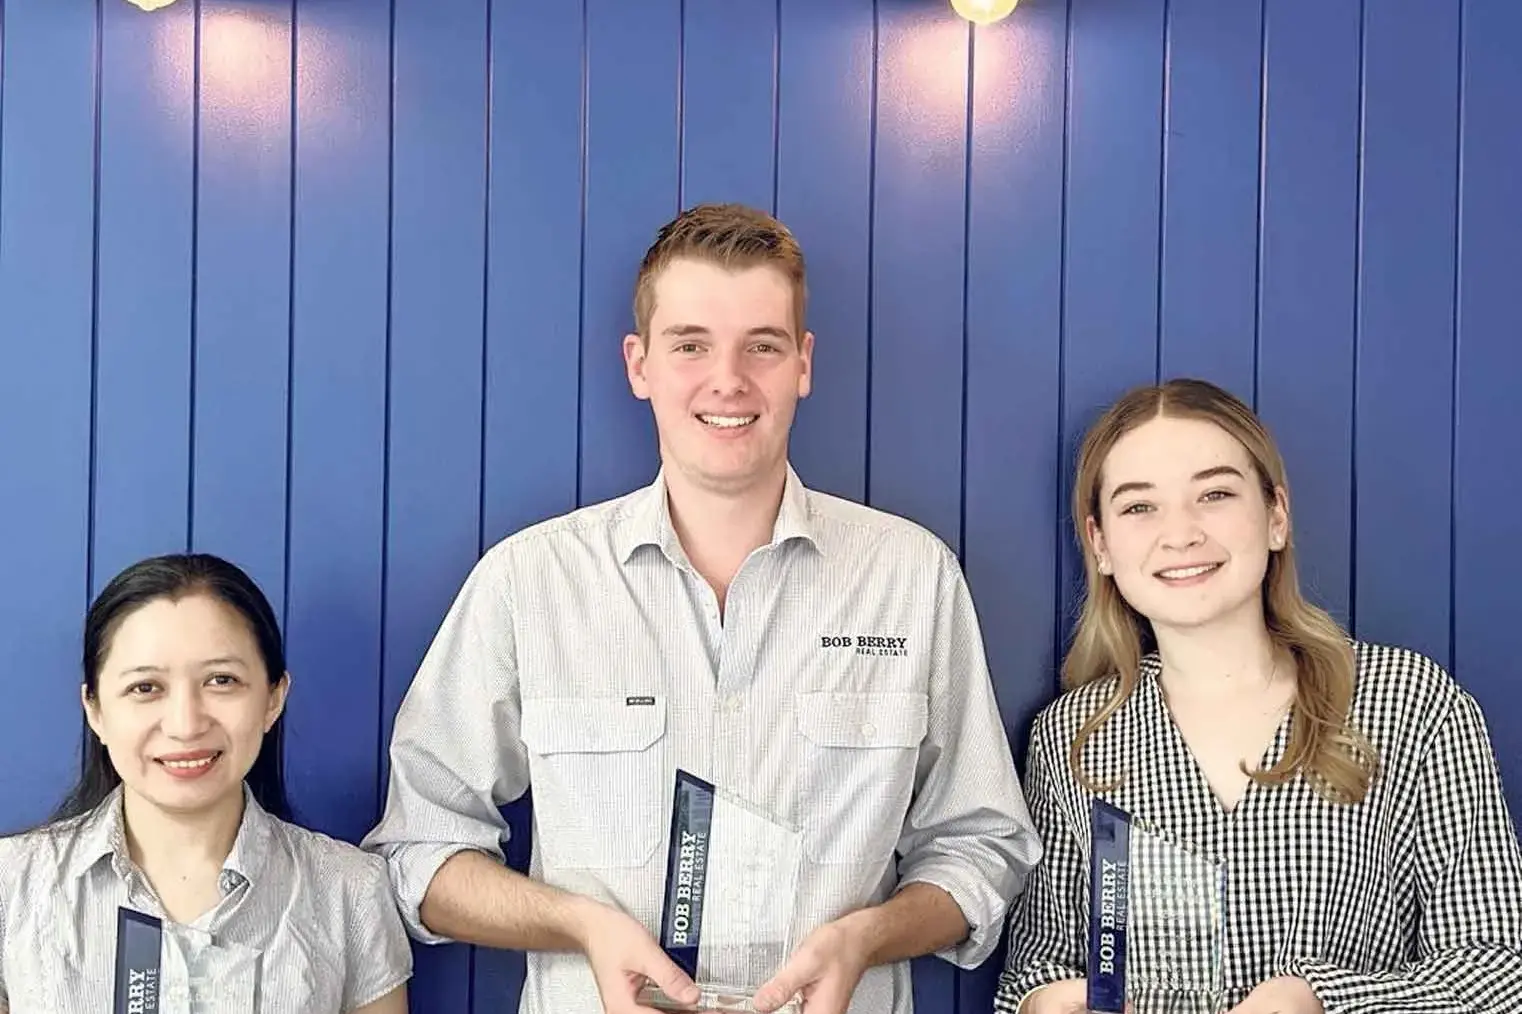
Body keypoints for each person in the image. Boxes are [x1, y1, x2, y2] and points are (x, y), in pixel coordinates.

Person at [360, 202, 1041, 1014]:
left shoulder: (911, 577)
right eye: (691, 345)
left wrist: (867, 937)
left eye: (763, 345)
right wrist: (582, 925)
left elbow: (983, 845)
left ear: (803, 364)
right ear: (638, 364)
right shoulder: (529, 582)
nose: (729, 379)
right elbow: (418, 853)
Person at [995, 378, 1522, 1013]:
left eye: (1214, 494)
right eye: (1139, 507)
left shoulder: (1412, 703)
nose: (1181, 533)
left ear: (1276, 516)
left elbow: (1499, 975)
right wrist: (1045, 1002)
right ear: (1100, 543)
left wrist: (1322, 1003)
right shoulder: (1071, 735)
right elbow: (1037, 966)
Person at [0, 553, 412, 1014]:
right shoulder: (12, 885)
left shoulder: (349, 891)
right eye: (145, 688)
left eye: (221, 680)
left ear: (273, 698)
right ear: (94, 709)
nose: (185, 724)